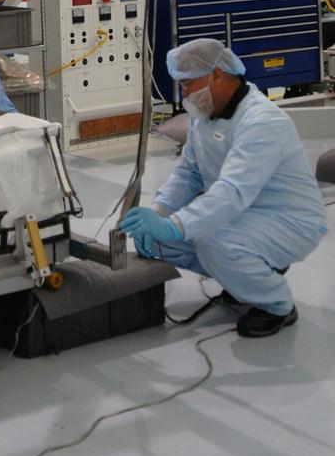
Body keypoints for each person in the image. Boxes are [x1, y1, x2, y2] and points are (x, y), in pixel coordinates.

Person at [120, 39, 326, 338]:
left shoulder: (261, 122)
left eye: (188, 84)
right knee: (157, 242)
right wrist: (158, 212)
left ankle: (276, 304)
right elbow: (189, 174)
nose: (185, 93)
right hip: (240, 214)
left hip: (288, 220)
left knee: (212, 242)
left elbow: (232, 191)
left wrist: (176, 225)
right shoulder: (203, 115)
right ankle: (247, 275)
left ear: (217, 74)